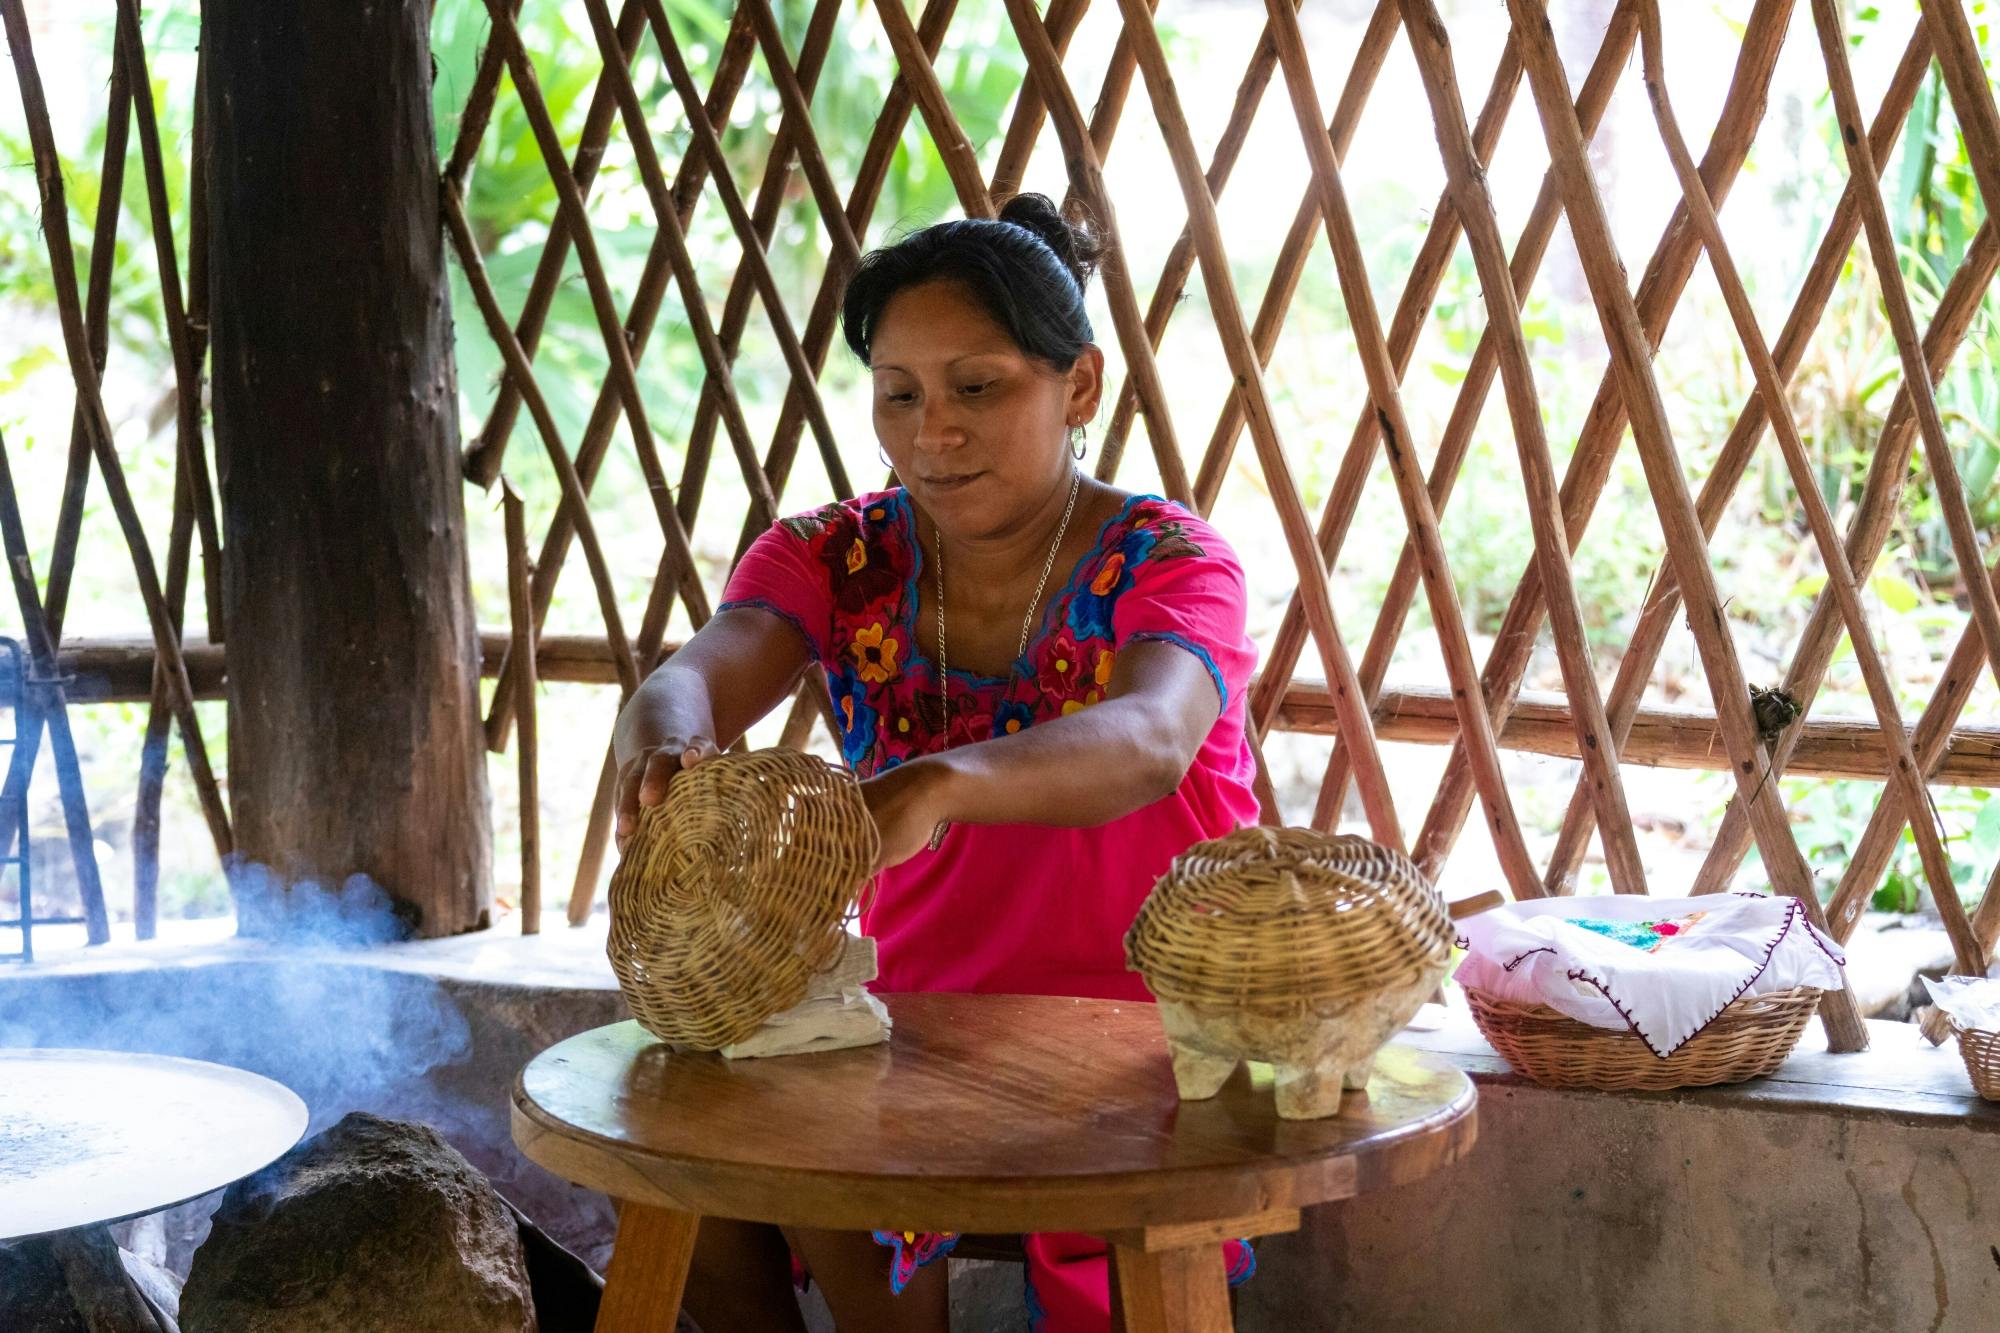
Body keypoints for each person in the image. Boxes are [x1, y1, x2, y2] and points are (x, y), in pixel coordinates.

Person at [612, 192, 1261, 1333]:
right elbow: (698, 672)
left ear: (1081, 387)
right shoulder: (834, 555)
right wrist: (668, 736)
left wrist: (941, 780)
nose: (933, 432)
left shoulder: (1169, 560)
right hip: (908, 1027)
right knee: (681, 1143)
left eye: (978, 387)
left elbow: (1153, 740)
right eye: (898, 394)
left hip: (1139, 1033)